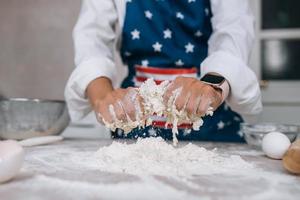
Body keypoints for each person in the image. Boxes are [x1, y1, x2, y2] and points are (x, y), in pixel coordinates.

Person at [65, 0, 262, 142]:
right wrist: (103, 97)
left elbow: (235, 32)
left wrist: (211, 85)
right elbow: (91, 39)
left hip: (214, 128)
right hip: (135, 129)